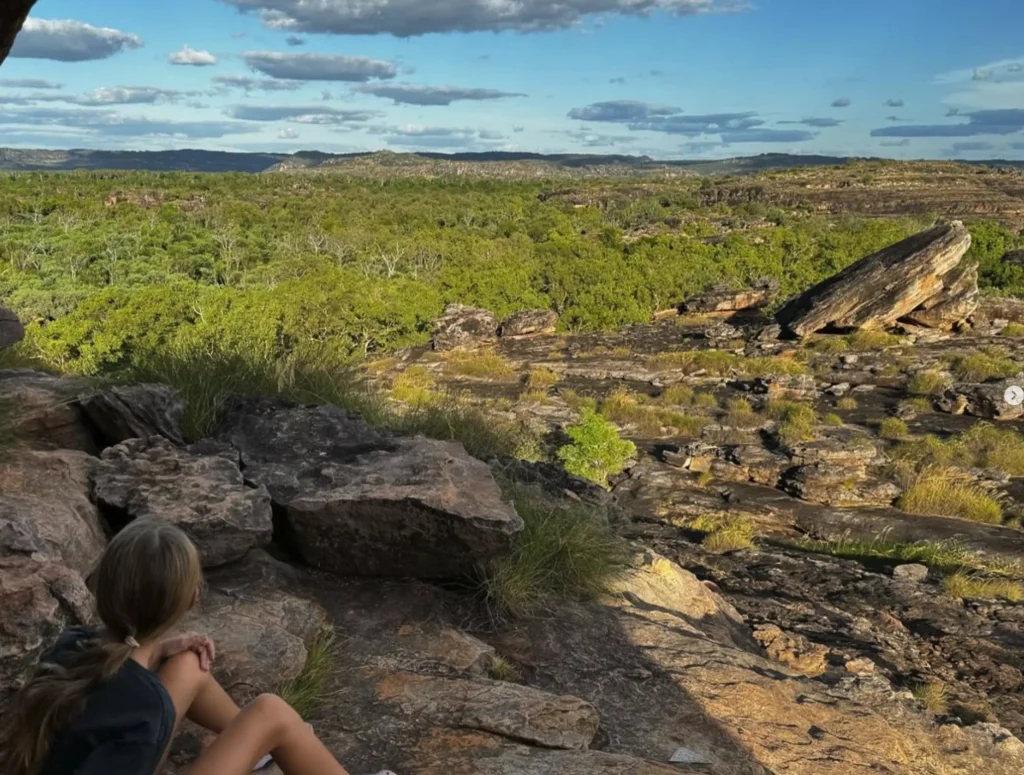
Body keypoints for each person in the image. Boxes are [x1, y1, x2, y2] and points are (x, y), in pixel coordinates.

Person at [0, 518, 355, 775]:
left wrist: (157, 649)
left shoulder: (72, 643)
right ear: (190, 601)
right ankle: (270, 740)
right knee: (271, 712)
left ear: (101, 586)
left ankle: (253, 746)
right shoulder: (146, 707)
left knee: (188, 662)